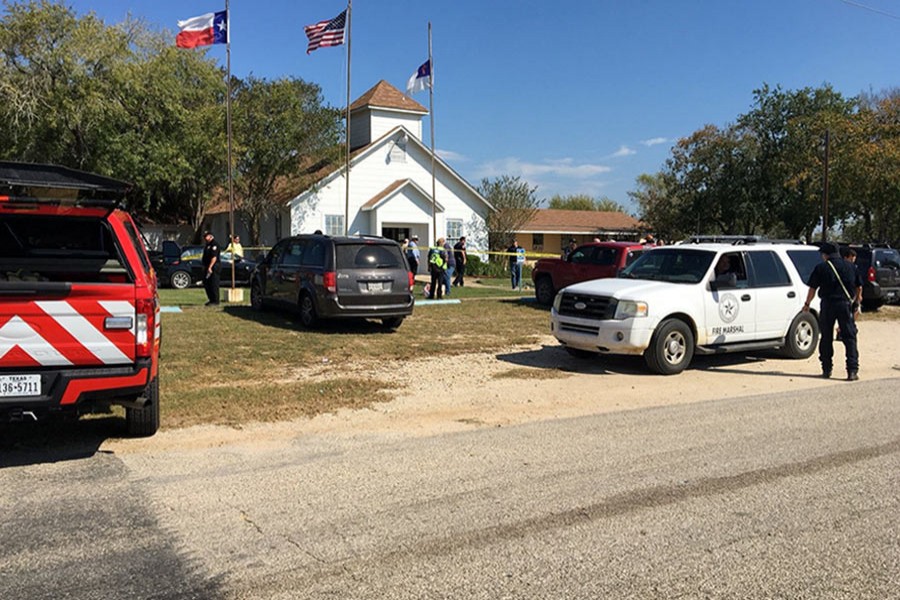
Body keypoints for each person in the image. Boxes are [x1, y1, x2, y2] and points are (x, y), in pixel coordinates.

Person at [802, 242, 859, 380]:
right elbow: (858, 287)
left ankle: (827, 369)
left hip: (828, 305)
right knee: (849, 337)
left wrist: (807, 304)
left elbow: (812, 289)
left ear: (825, 255)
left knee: (826, 337)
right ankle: (852, 370)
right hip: (845, 305)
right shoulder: (851, 267)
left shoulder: (821, 268)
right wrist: (855, 303)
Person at [836, 246, 864, 341]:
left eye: (854, 259)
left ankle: (846, 328)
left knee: (855, 312)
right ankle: (841, 331)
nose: (853, 261)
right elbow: (859, 285)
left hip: (851, 295)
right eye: (851, 258)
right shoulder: (847, 269)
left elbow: (859, 285)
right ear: (846, 257)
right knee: (848, 314)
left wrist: (859, 295)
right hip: (847, 297)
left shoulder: (852, 268)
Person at [201, 230, 221, 306]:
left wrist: (210, 267)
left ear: (211, 236)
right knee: (207, 283)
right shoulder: (207, 245)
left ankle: (215, 301)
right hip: (207, 266)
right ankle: (211, 300)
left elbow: (214, 257)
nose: (205, 238)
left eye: (206, 236)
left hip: (214, 267)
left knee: (214, 284)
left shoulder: (214, 245)